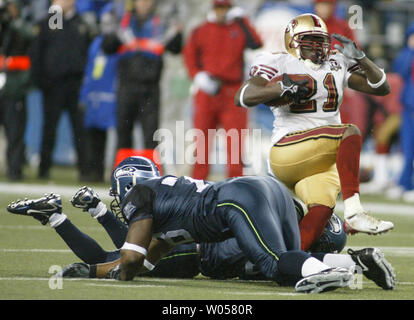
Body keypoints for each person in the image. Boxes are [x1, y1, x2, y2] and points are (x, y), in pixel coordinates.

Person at [7, 156, 396, 293]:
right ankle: (354, 265)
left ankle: (335, 269)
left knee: (274, 264)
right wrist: (95, 270)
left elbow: (128, 262)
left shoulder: (140, 197)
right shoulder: (164, 198)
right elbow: (143, 260)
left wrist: (99, 266)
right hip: (262, 192)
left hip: (237, 201)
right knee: (285, 266)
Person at [234, 14, 394, 252]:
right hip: (288, 150)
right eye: (310, 40)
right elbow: (243, 97)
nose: (318, 47)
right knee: (349, 132)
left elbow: (382, 87)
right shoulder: (277, 61)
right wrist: (281, 87)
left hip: (321, 157)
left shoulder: (336, 62)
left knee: (321, 209)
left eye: (321, 41)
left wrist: (361, 58)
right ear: (293, 41)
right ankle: (354, 211)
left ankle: (289, 260)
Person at [182, 0, 262, 180]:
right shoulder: (201, 30)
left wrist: (244, 21)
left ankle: (235, 183)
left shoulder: (239, 28)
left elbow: (256, 43)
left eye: (225, 8)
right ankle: (197, 183)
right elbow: (189, 56)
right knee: (201, 142)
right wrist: (197, 76)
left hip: (232, 90)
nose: (221, 12)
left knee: (235, 143)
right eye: (219, 8)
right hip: (207, 90)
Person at [30, 0, 93, 180]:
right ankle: (44, 170)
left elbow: (89, 52)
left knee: (79, 129)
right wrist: (42, 81)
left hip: (76, 84)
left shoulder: (81, 23)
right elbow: (38, 51)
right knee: (49, 128)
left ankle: (85, 171)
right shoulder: (52, 21)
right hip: (53, 84)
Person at [110, 0, 182, 156]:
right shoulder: (123, 22)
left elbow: (176, 48)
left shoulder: (161, 23)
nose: (144, 4)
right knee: (123, 134)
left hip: (151, 88)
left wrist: (178, 33)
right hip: (126, 86)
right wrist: (112, 30)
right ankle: (122, 173)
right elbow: (107, 46)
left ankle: (151, 176)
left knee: (151, 135)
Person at [79, 3, 121, 182]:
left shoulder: (119, 44)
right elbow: (90, 70)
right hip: (95, 97)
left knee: (113, 137)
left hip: (111, 97)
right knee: (93, 136)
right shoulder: (96, 43)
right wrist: (84, 94)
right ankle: (93, 171)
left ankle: (111, 172)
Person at [0, 0, 34, 181]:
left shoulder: (22, 24)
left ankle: (14, 169)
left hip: (14, 87)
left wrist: (12, 21)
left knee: (15, 132)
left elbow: (30, 34)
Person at [386, 21, 414, 202]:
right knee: (407, 147)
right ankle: (405, 183)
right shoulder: (407, 55)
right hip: (409, 107)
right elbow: (400, 69)